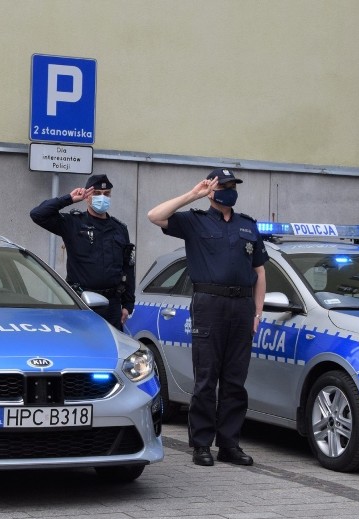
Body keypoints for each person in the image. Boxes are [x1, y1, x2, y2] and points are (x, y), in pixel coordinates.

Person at [147, 168, 267, 467]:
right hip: (209, 303)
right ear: (211, 190)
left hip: (241, 307)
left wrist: (258, 311)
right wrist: (192, 195)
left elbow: (259, 271)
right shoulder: (194, 221)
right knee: (206, 378)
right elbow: (154, 216)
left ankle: (229, 445)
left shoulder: (248, 226)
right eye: (223, 185)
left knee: (235, 381)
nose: (229, 189)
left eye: (232, 185)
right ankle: (201, 445)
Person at [30, 174, 135, 330]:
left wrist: (128, 304)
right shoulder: (73, 223)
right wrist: (69, 199)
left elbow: (128, 267)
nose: (102, 197)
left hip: (112, 305)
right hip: (82, 302)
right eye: (97, 193)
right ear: (87, 197)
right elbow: (37, 214)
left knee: (113, 350)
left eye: (106, 194)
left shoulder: (119, 229)